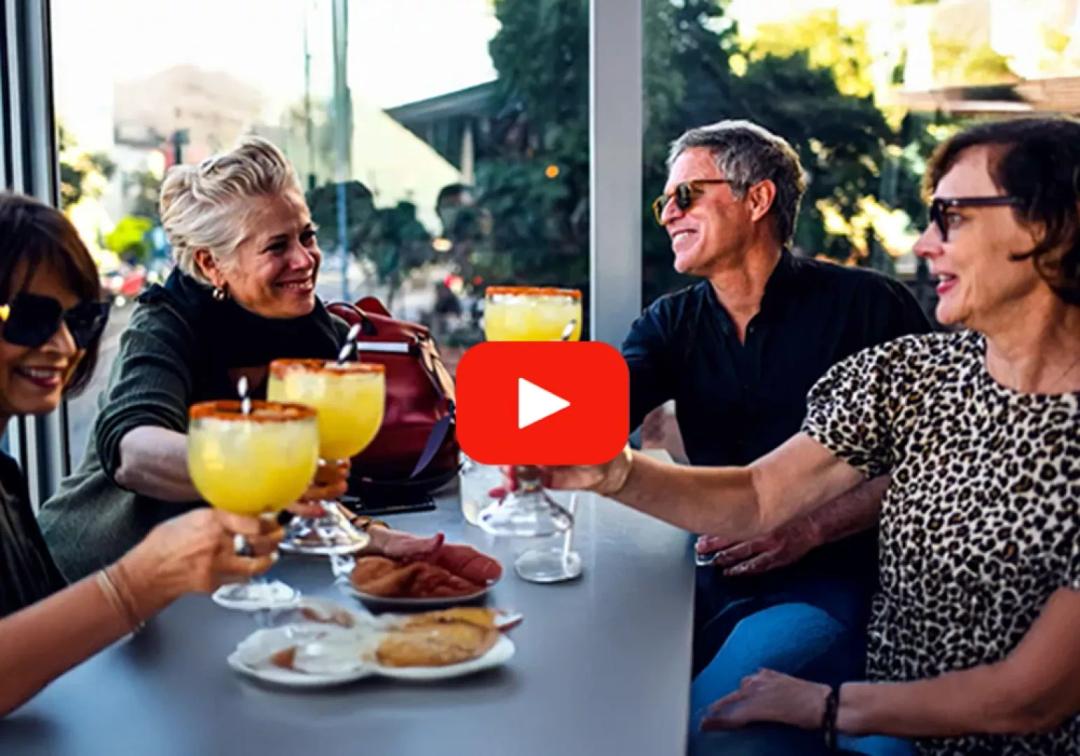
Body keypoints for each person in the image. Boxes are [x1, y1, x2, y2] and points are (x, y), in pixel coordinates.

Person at [545, 117, 1080, 754]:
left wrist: (829, 705)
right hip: (858, 676)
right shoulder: (913, 373)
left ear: (1048, 227)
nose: (922, 243)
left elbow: (1033, 697)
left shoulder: (873, 312)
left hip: (936, 710)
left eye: (953, 217)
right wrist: (603, 463)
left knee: (706, 731)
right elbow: (760, 493)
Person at [38, 138, 499, 585]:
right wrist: (267, 469)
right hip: (85, 581)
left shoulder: (326, 336)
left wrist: (371, 536)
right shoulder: (166, 324)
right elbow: (132, 454)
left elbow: (298, 494)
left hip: (220, 583)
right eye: (276, 247)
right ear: (211, 264)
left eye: (307, 235)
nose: (304, 259)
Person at [625, 120, 929, 752]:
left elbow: (929, 467)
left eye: (686, 196)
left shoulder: (872, 307)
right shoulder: (669, 321)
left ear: (757, 200)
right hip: (701, 583)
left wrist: (810, 526)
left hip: (830, 585)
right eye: (665, 202)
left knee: (697, 731)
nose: (668, 216)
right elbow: (604, 406)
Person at [0, 192, 283, 717]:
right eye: (28, 318)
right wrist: (137, 583)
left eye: (80, 320)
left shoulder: (5, 477)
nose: (63, 345)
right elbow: (133, 443)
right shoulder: (167, 325)